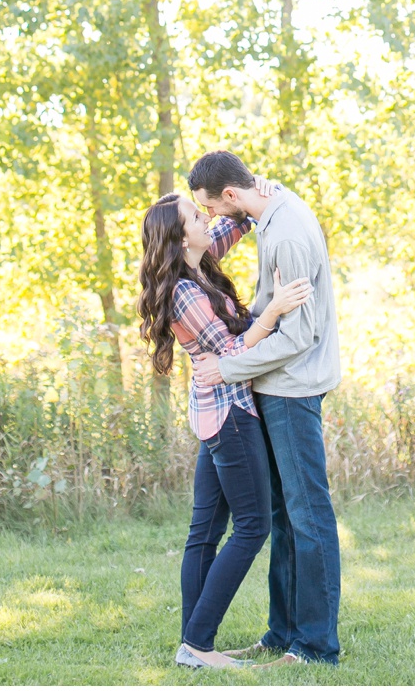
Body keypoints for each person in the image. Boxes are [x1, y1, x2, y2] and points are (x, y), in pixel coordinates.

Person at [137, 189, 313, 672]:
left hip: (212, 413)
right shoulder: (185, 293)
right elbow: (231, 355)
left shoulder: (196, 262)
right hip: (230, 415)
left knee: (205, 532)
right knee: (252, 527)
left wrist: (259, 195)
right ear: (180, 235)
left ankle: (192, 644)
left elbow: (233, 222)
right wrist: (274, 310)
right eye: (197, 215)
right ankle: (197, 644)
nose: (206, 217)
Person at [187, 149, 345, 667]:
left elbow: (300, 334)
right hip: (271, 384)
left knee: (307, 515)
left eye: (211, 210)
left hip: (292, 388)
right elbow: (268, 306)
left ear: (231, 196)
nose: (211, 222)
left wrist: (229, 367)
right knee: (282, 516)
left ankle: (315, 646)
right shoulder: (267, 213)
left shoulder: (288, 231)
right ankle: (281, 634)